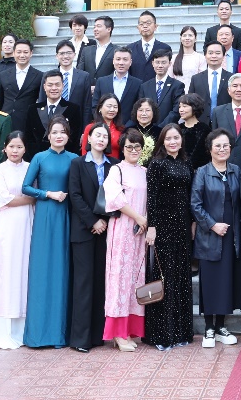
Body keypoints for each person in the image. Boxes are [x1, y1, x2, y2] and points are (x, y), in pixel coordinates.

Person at [22, 116, 78, 347]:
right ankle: (37, 335)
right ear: (48, 134)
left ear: (68, 135)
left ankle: (59, 335)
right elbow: (25, 187)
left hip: (67, 216)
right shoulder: (39, 157)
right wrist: (47, 194)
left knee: (62, 272)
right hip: (46, 215)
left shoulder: (75, 159)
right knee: (42, 271)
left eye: (63, 132)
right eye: (55, 131)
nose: (59, 135)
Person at [145, 124, 195, 350]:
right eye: (168, 138)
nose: (173, 141)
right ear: (162, 141)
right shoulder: (156, 164)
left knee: (181, 278)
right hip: (163, 227)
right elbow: (152, 197)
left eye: (176, 137)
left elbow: (191, 194)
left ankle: (182, 332)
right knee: (165, 278)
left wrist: (193, 222)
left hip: (183, 226)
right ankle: (162, 335)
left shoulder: (186, 162)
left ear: (181, 140)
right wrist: (152, 227)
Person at [192, 128, 241, 347]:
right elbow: (195, 204)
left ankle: (222, 326)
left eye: (226, 145)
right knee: (210, 283)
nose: (222, 149)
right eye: (218, 146)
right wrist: (212, 225)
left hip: (232, 235)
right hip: (209, 236)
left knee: (226, 282)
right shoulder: (202, 172)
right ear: (210, 149)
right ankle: (209, 329)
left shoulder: (237, 171)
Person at [0, 131, 34, 350]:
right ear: (4, 148)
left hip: (27, 225)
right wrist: (30, 197)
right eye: (12, 147)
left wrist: (31, 197)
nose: (15, 151)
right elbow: (2, 199)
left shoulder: (30, 167)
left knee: (23, 272)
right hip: (6, 227)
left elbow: (36, 192)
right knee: (4, 273)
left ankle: (21, 330)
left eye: (20, 147)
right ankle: (2, 331)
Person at [103, 129, 150, 351]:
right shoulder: (116, 170)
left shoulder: (144, 171)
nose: (133, 150)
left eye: (137, 147)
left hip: (140, 232)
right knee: (119, 279)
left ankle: (131, 329)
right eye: (129, 146)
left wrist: (146, 220)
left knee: (136, 278)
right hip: (122, 230)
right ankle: (118, 333)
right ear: (122, 149)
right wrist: (139, 217)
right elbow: (115, 199)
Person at [69, 124, 111, 353]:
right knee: (83, 284)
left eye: (105, 136)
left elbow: (115, 195)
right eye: (97, 135)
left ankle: (97, 335)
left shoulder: (112, 165)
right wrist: (92, 221)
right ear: (89, 138)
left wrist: (104, 219)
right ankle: (80, 339)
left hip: (106, 230)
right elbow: (74, 195)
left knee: (100, 283)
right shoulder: (77, 163)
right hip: (84, 230)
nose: (101, 139)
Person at [0, 39, 42, 138]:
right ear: (13, 53)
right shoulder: (3, 75)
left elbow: (41, 101)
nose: (22, 55)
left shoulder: (39, 75)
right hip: (6, 120)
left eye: (25, 52)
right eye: (19, 52)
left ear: (31, 53)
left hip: (28, 122)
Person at [213, 74, 241, 166]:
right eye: (235, 86)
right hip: (225, 164)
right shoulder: (218, 112)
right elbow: (214, 140)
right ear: (229, 90)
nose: (238, 89)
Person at [30, 71, 80, 154]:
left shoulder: (73, 109)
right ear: (44, 87)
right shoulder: (33, 109)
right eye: (50, 85)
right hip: (39, 158)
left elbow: (74, 139)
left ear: (63, 86)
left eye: (57, 85)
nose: (54, 88)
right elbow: (29, 138)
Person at [96, 49, 142, 127]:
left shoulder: (138, 83)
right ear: (113, 61)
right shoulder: (101, 81)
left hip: (127, 129)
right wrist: (103, 124)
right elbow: (95, 106)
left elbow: (138, 108)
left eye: (125, 59)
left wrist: (127, 127)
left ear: (130, 62)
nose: (121, 63)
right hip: (103, 128)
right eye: (118, 59)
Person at [128, 10, 173, 82]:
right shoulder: (130, 48)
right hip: (135, 90)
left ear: (155, 26)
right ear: (138, 28)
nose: (145, 26)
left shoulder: (165, 48)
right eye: (141, 24)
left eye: (148, 23)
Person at [141, 50, 182, 125]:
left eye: (163, 62)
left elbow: (176, 111)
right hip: (148, 129)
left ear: (169, 64)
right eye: (157, 62)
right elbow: (140, 108)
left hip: (169, 129)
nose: (160, 66)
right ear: (153, 63)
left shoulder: (177, 86)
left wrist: (161, 128)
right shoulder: (145, 86)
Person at [53, 38, 92, 117]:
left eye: (69, 53)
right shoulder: (49, 76)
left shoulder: (84, 76)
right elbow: (42, 102)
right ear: (57, 56)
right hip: (54, 122)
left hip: (77, 122)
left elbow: (87, 106)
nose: (66, 56)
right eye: (62, 53)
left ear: (74, 54)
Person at [196, 40, 238, 110]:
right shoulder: (196, 79)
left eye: (218, 53)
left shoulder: (232, 78)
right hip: (201, 119)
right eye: (210, 53)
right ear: (205, 55)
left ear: (223, 56)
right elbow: (191, 102)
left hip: (225, 118)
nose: (214, 56)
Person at [176, 93, 212, 170]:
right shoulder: (177, 129)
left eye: (184, 106)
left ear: (194, 107)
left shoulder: (205, 129)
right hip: (178, 172)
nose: (181, 110)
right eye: (180, 107)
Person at [85, 94, 122, 160]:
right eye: (109, 106)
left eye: (115, 107)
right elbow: (85, 152)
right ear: (100, 108)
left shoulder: (120, 129)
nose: (112, 109)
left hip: (115, 167)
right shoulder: (90, 127)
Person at [127, 98, 160, 165]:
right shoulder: (128, 131)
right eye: (140, 110)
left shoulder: (160, 132)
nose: (144, 114)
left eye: (147, 110)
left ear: (154, 113)